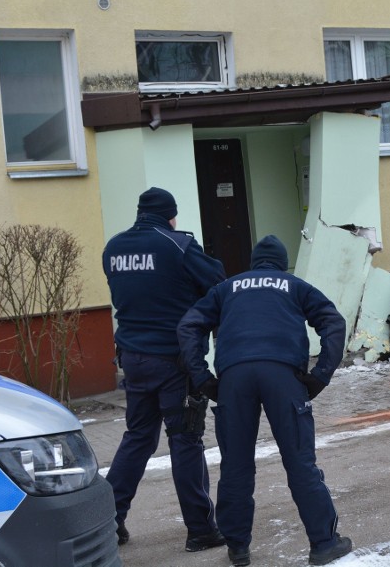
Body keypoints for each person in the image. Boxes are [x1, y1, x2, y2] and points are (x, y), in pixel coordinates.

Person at [177, 235, 351, 567]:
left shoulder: (227, 288)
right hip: (282, 374)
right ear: (281, 263)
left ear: (254, 263)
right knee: (300, 463)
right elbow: (333, 321)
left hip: (234, 377)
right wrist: (321, 374)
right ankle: (324, 544)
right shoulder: (295, 285)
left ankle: (238, 548)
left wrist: (202, 377)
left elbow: (189, 326)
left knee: (236, 466)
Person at [102, 187, 226, 552]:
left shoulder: (114, 247)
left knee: (138, 437)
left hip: (132, 358)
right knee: (185, 439)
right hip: (174, 361)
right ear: (170, 215)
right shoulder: (177, 245)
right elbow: (217, 282)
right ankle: (201, 530)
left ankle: (109, 520)